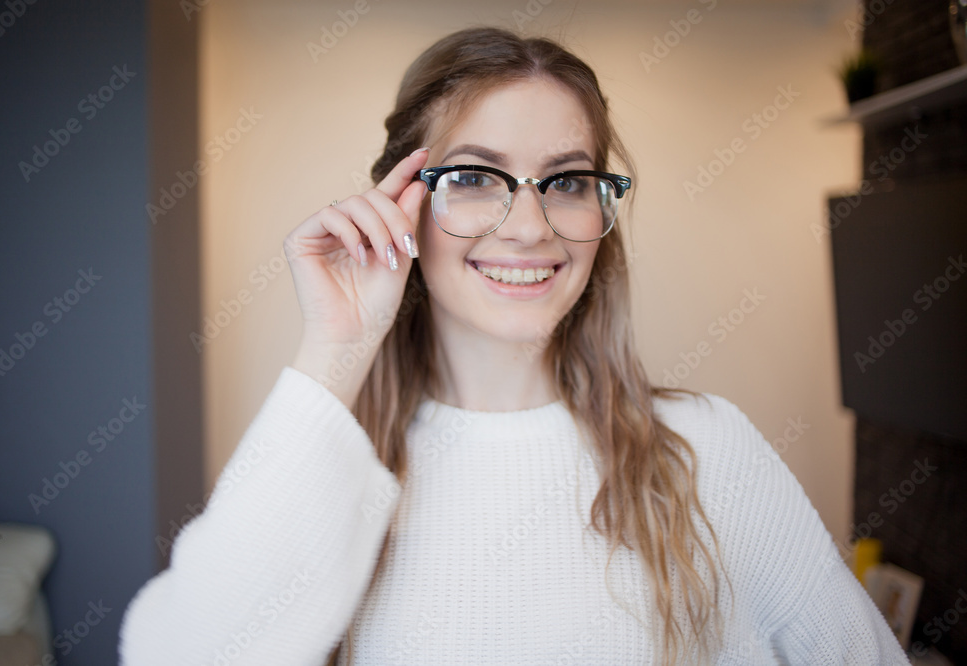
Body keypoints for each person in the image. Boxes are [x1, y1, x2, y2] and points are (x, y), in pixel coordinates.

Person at [119, 26, 910, 666]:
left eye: (567, 180)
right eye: (473, 176)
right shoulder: (329, 467)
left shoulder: (705, 449)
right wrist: (338, 346)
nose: (530, 228)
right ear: (401, 205)